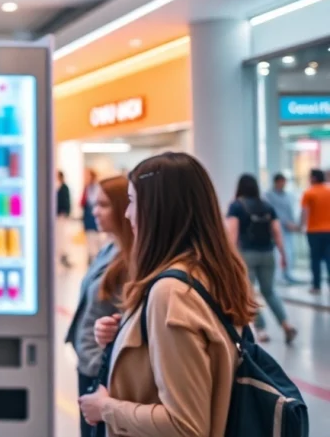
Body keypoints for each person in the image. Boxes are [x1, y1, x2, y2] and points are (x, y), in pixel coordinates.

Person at [79, 152, 258, 436]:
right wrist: (127, 337)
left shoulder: (171, 292)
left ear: (156, 210)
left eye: (132, 201)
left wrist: (105, 408)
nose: (127, 214)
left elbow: (185, 425)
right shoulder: (211, 273)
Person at [64, 176, 133, 437]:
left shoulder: (131, 260)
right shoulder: (109, 249)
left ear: (123, 207)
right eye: (95, 204)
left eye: (103, 205)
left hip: (102, 370)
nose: (95, 211)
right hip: (89, 361)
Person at [226, 174, 297, 344]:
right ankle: (286, 325)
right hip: (267, 254)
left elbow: (232, 233)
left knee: (248, 293)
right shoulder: (267, 206)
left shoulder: (236, 206)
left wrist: (229, 255)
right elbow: (277, 232)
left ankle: (261, 330)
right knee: (269, 291)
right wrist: (283, 254)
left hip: (246, 255)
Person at [265, 173, 300, 284]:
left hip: (288, 229)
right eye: (281, 182)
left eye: (284, 182)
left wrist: (294, 224)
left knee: (289, 252)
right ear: (276, 182)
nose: (283, 184)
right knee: (278, 253)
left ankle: (287, 274)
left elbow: (290, 211)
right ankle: (278, 277)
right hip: (276, 228)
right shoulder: (269, 195)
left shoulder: (288, 196)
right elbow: (271, 212)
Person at [300, 168, 330, 294]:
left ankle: (316, 286)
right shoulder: (328, 191)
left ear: (314, 178)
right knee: (329, 258)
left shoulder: (309, 192)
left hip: (314, 231)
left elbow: (304, 212)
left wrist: (301, 226)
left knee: (315, 259)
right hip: (329, 231)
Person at [81, 169, 102, 262]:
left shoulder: (98, 187)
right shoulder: (87, 188)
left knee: (97, 238)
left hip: (94, 218)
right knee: (90, 237)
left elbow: (95, 201)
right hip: (88, 216)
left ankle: (97, 257)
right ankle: (92, 257)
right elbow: (83, 202)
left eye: (88, 175)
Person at [57, 171, 73, 268]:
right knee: (59, 237)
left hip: (62, 215)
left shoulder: (64, 188)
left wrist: (65, 212)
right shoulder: (58, 187)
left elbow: (66, 201)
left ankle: (64, 255)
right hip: (58, 216)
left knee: (62, 236)